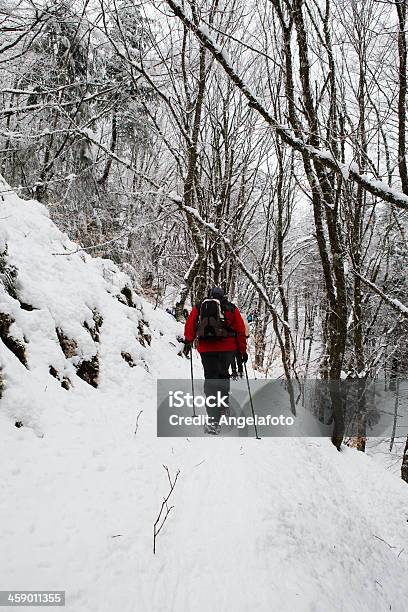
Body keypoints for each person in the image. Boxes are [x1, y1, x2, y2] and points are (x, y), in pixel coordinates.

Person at [183, 286, 248, 434]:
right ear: (223, 296)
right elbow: (240, 330)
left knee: (211, 380)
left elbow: (190, 325)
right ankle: (223, 407)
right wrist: (242, 351)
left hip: (206, 349)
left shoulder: (200, 306)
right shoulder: (231, 308)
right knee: (224, 376)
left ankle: (213, 422)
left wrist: (188, 340)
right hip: (228, 349)